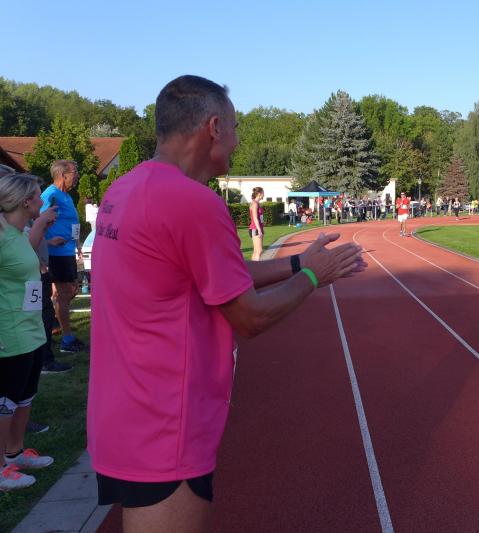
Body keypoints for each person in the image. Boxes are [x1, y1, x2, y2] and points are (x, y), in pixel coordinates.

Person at [87, 75, 366, 532]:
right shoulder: (193, 202)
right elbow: (250, 317)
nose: (237, 142)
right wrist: (316, 276)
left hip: (121, 417)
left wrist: (299, 262)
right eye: (235, 128)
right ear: (214, 127)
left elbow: (214, 275)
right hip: (167, 426)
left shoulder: (124, 189)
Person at [1, 172, 58, 491]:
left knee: (25, 397)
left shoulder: (19, 232)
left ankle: (15, 453)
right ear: (25, 201)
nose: (42, 200)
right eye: (38, 195)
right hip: (9, 332)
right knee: (6, 401)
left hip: (31, 329)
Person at [40, 160, 86, 353]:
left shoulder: (66, 196)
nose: (77, 176)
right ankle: (67, 339)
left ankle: (53, 322)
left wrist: (77, 244)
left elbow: (73, 222)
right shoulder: (50, 194)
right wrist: (48, 242)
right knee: (64, 293)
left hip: (67, 251)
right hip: (56, 253)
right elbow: (36, 220)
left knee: (72, 290)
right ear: (63, 175)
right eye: (74, 172)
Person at [248, 187, 264, 261]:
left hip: (255, 228)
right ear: (259, 194)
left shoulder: (255, 203)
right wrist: (259, 229)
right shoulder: (255, 204)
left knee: (256, 251)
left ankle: (252, 267)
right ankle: (256, 267)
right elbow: (255, 218)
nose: (264, 195)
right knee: (259, 251)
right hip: (255, 228)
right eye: (263, 193)